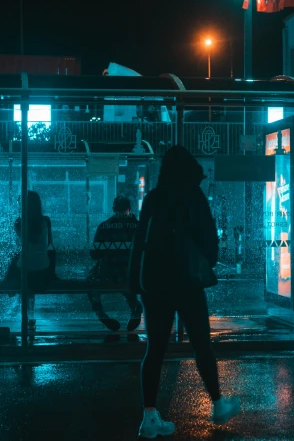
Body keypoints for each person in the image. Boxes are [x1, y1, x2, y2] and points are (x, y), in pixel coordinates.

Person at [129, 145, 240, 438]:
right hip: (187, 282)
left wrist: (134, 283)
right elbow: (208, 237)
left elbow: (139, 241)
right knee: (201, 344)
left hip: (153, 284)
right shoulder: (193, 195)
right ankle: (218, 404)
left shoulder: (154, 197)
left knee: (154, 349)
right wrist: (206, 261)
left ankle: (149, 416)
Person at [88, 195, 142, 332]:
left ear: (113, 209)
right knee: (127, 285)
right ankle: (135, 307)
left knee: (90, 282)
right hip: (133, 272)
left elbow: (94, 254)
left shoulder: (105, 226)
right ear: (129, 209)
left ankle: (101, 314)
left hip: (109, 272)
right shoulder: (138, 226)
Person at [6, 190, 56, 334]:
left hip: (26, 270)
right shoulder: (46, 220)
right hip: (43, 269)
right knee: (30, 279)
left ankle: (22, 310)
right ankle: (29, 315)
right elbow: (49, 243)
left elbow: (20, 244)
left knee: (19, 265)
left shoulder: (19, 222)